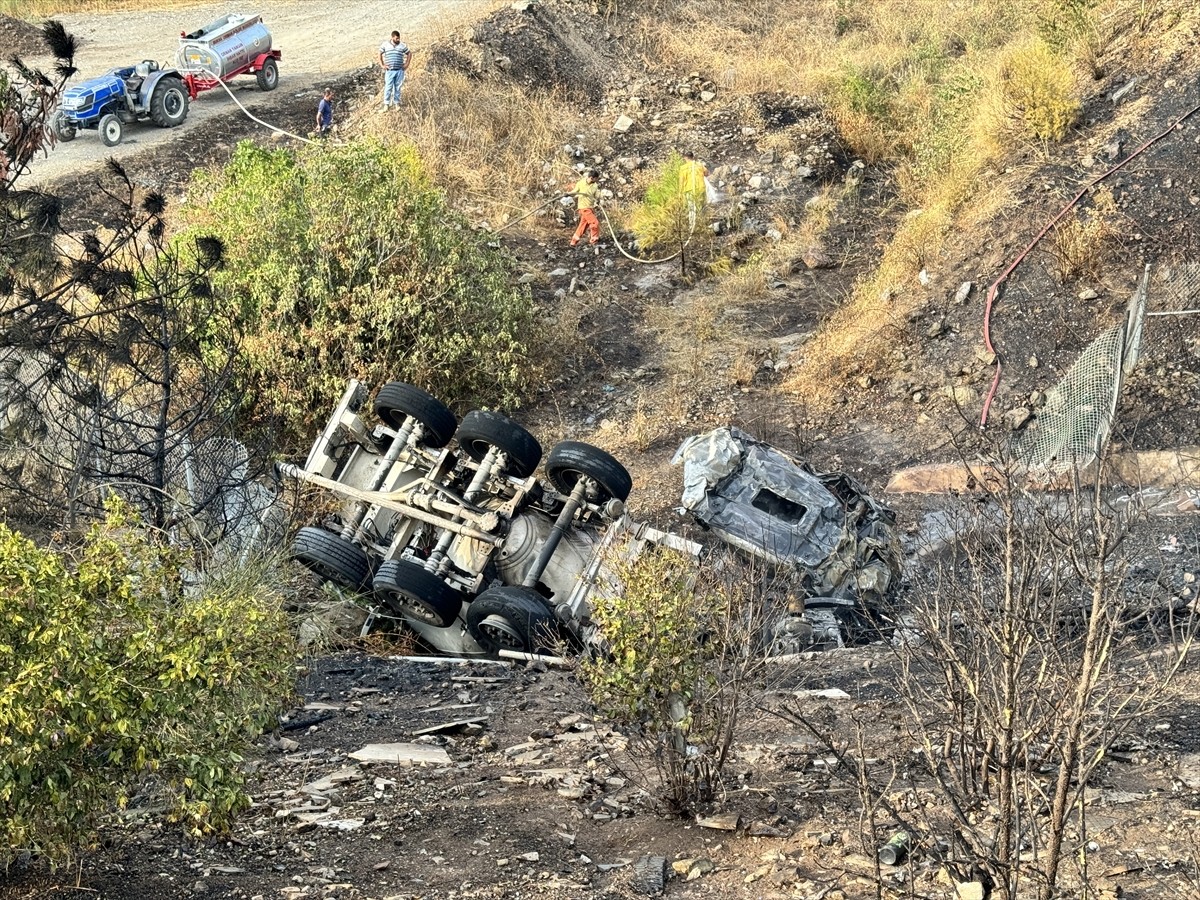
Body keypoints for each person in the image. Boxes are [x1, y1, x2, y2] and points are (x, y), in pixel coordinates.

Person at [379, 31, 410, 110]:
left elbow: (409, 54)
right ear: (392, 37)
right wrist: (382, 65)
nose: (398, 40)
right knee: (388, 87)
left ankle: (397, 103)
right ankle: (386, 104)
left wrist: (406, 64)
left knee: (398, 87)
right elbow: (380, 53)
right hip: (390, 70)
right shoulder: (385, 45)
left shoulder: (402, 45)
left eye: (399, 38)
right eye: (396, 38)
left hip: (399, 70)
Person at [569, 168, 600, 247]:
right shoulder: (581, 183)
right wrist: (568, 194)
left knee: (583, 225)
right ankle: (594, 240)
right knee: (594, 223)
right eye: (596, 178)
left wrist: (598, 200)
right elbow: (575, 191)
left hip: (590, 207)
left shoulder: (595, 186)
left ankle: (573, 241)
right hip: (584, 208)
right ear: (591, 178)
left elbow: (596, 195)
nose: (597, 180)